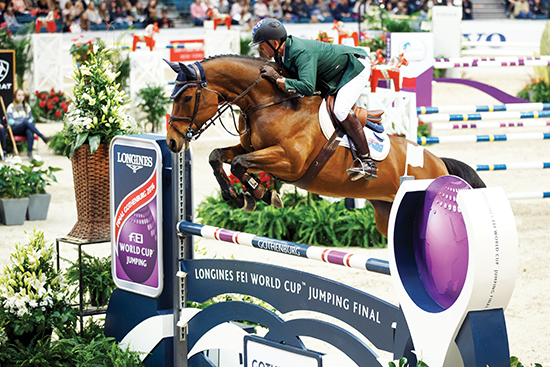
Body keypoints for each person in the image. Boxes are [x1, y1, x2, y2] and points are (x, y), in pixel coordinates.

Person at [249, 18, 377, 180]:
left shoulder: (300, 52)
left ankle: (367, 161)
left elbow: (308, 87)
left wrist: (279, 80)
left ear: (274, 43)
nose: (260, 49)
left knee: (340, 110)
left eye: (261, 45)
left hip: (354, 68)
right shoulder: (281, 54)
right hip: (332, 75)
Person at [6, 89, 50, 159]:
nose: (21, 97)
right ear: (15, 96)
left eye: (22, 95)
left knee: (29, 131)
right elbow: (10, 121)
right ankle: (42, 137)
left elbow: (31, 118)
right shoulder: (11, 107)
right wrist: (22, 123)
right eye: (19, 95)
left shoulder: (26, 106)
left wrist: (25, 123)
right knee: (26, 122)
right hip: (15, 129)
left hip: (25, 128)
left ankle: (29, 153)